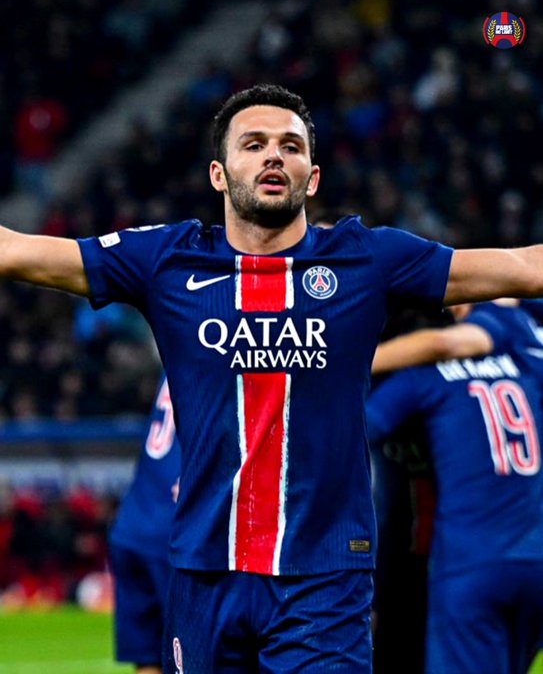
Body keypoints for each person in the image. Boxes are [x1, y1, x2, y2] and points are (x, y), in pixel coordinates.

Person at [3, 83, 543, 672]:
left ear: (312, 177)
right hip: (204, 572)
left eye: (290, 146)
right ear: (218, 174)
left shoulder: (368, 259)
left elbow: (521, 266)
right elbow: (23, 253)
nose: (273, 156)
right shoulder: (165, 259)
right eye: (254, 144)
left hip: (325, 581)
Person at [367, 300, 543, 674]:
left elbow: (356, 432)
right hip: (535, 558)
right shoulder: (527, 359)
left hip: (470, 562)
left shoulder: (424, 374)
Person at [108, 373, 179, 674]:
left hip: (133, 524)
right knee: (197, 658)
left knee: (149, 658)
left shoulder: (179, 358)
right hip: (176, 532)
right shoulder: (226, 361)